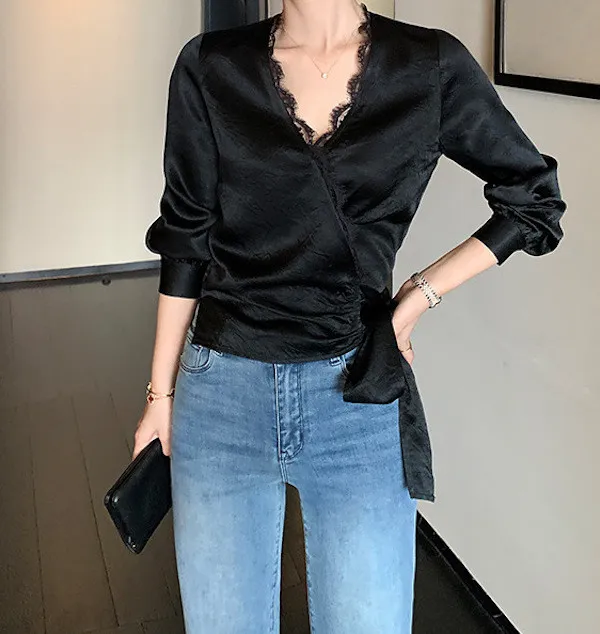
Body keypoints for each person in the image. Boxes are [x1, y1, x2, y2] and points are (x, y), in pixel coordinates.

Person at [134, 1, 567, 632]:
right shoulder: (210, 66)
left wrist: (420, 293)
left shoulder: (428, 65)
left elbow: (534, 199)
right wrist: (160, 395)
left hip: (357, 399)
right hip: (221, 392)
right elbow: (185, 239)